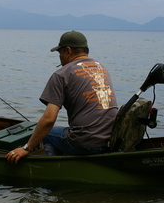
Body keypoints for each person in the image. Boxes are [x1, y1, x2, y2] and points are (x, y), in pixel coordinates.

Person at [6, 31, 118, 164]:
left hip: (86, 143)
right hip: (111, 140)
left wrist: (26, 148)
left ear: (68, 51)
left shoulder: (61, 74)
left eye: (60, 53)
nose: (60, 57)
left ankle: (52, 167)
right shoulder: (101, 68)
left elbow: (48, 119)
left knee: (45, 133)